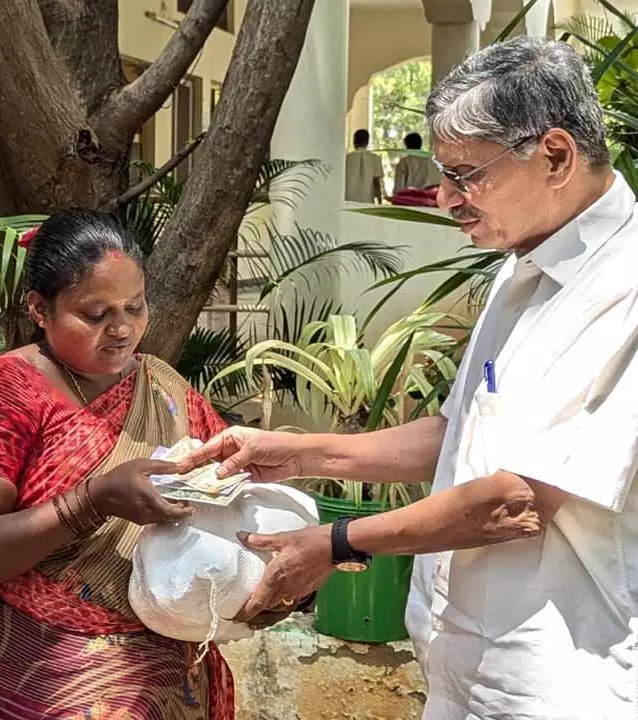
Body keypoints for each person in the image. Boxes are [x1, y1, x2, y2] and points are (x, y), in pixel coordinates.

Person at [183, 37, 638, 719]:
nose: (447, 198)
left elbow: (515, 500)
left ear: (555, 156)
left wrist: (336, 543)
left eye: (466, 174)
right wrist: (295, 453)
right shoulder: (519, 263)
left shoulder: (623, 286)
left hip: (558, 678)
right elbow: (458, 432)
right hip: (463, 661)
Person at [0, 210, 294, 719]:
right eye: (95, 313)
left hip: (169, 675)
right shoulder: (2, 392)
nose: (122, 329)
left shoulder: (163, 387)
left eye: (135, 307)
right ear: (39, 308)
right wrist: (91, 500)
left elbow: (227, 497)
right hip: (46, 679)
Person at [344, 128, 384, 203]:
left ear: (354, 141)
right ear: (367, 142)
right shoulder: (375, 158)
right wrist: (379, 201)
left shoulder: (346, 159)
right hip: (367, 200)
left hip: (348, 199)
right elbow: (376, 182)